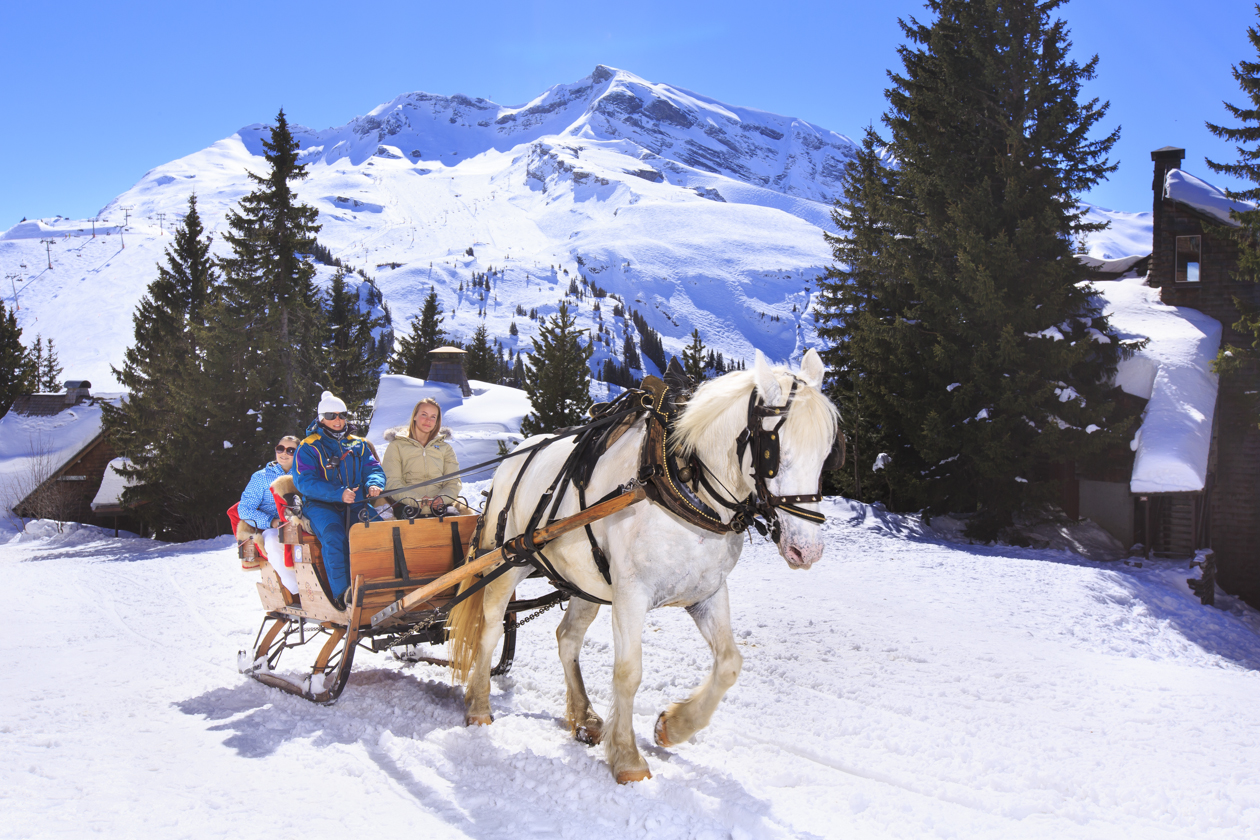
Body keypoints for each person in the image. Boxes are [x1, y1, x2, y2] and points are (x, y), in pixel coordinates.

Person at [293, 392, 385, 606]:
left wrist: (374, 483)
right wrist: (337, 493)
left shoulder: (358, 444)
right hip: (321, 506)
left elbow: (373, 467)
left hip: (356, 503)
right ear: (320, 418)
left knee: (378, 531)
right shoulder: (308, 446)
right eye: (331, 415)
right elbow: (304, 482)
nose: (338, 420)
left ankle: (383, 583)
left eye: (342, 415)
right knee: (334, 536)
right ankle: (344, 594)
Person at [238, 436, 300, 594]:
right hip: (273, 526)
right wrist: (271, 521)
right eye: (280, 448)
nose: (284, 453)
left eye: (290, 450)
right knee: (273, 540)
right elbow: (245, 509)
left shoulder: (304, 474)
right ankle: (296, 589)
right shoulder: (261, 477)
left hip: (301, 521)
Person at [382, 397, 462, 516]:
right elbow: (392, 483)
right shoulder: (396, 446)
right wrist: (416, 500)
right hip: (408, 506)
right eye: (424, 414)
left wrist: (442, 499)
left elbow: (453, 482)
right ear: (414, 416)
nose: (428, 420)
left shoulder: (445, 449)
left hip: (440, 507)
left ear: (437, 421)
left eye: (433, 417)